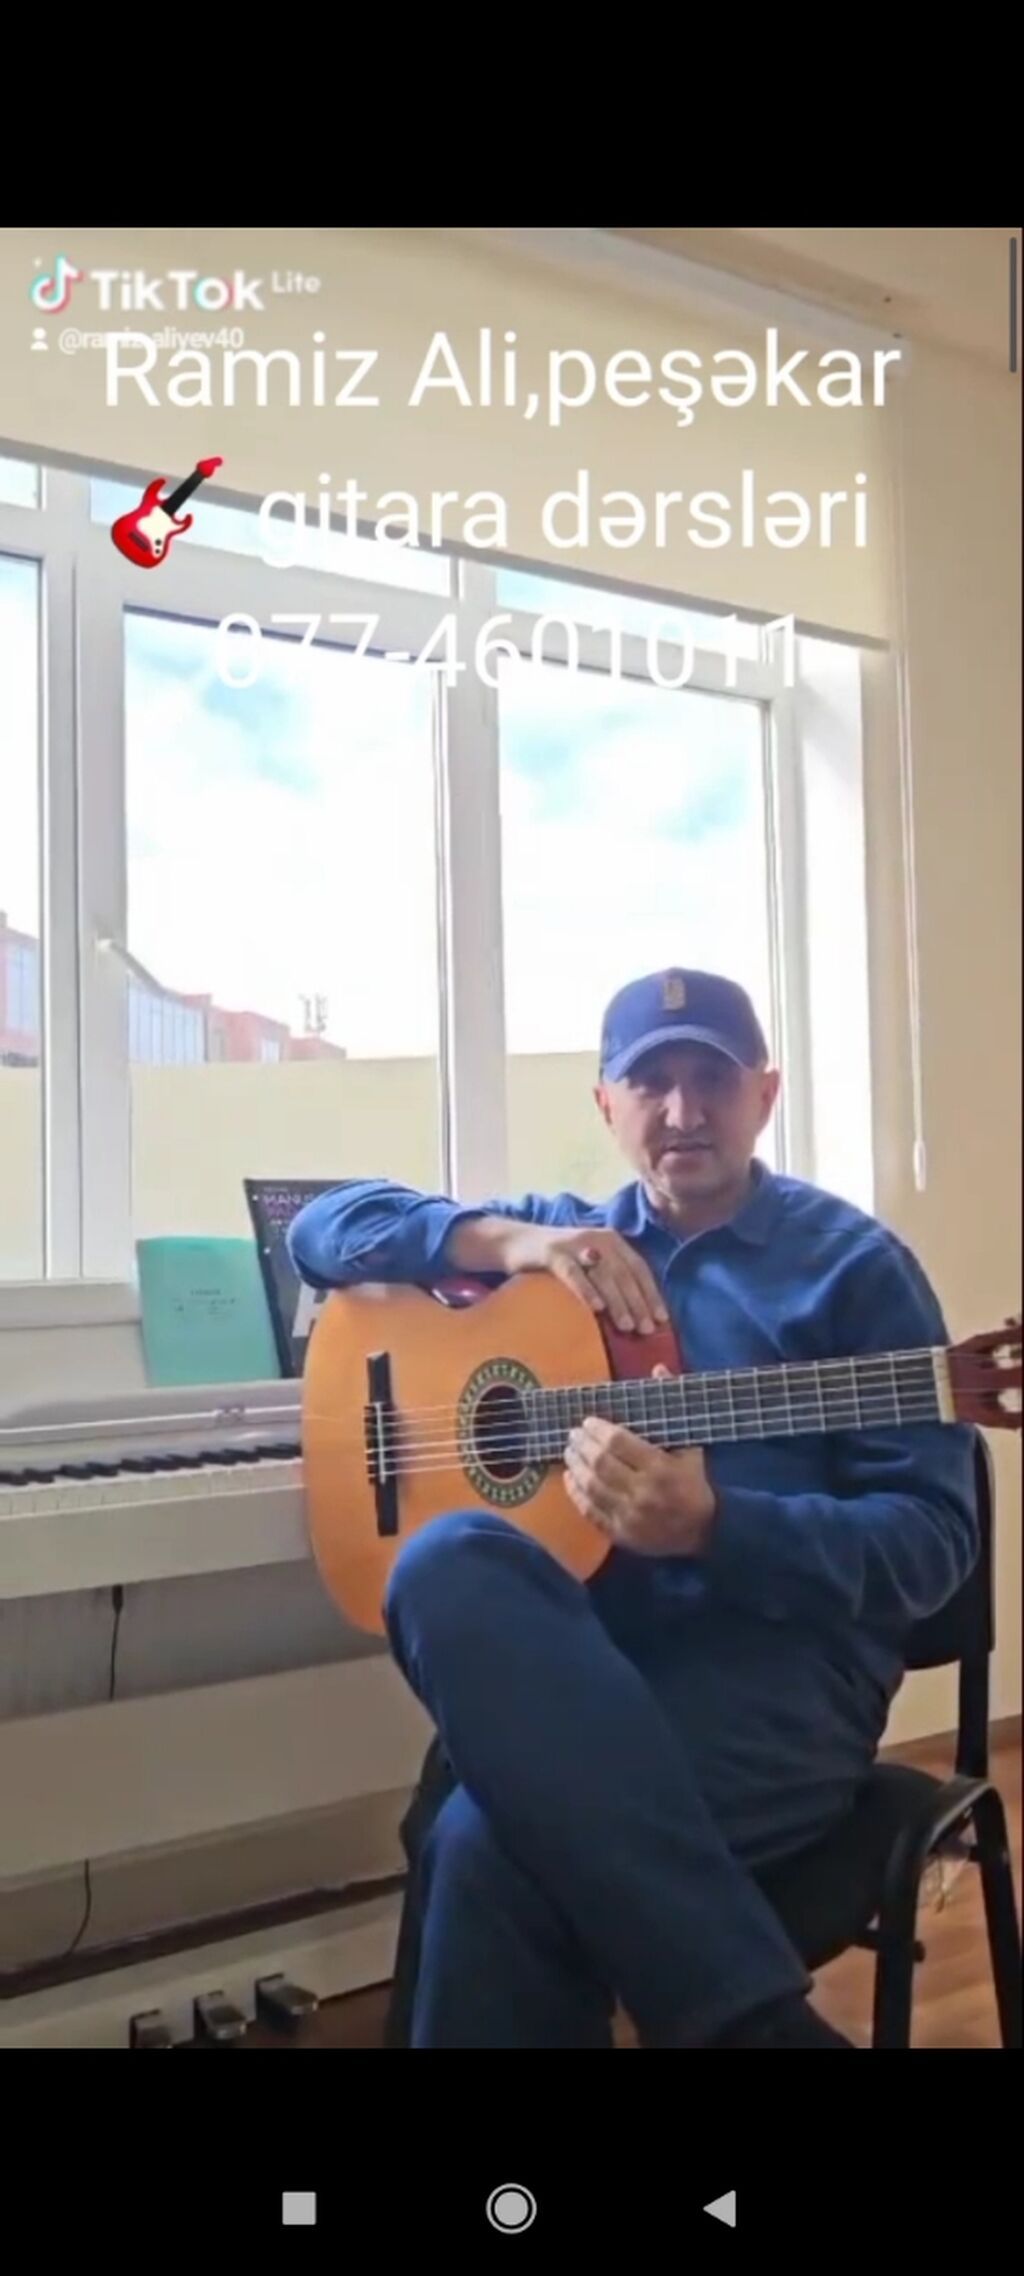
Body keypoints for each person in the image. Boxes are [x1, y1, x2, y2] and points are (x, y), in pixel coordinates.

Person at [287, 967, 978, 2049]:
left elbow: (933, 1544)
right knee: (440, 1560)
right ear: (605, 1104)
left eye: (713, 1079)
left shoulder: (855, 1270)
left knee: (484, 1848)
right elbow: (322, 1230)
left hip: (774, 1686)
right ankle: (758, 2021)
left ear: (765, 1094)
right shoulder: (555, 1247)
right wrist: (506, 1242)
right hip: (579, 1674)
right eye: (651, 1082)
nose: (682, 1110)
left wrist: (718, 1527)